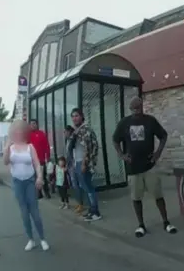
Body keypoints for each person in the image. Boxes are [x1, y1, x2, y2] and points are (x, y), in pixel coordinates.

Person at [112, 97, 177, 237]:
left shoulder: (150, 121)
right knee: (136, 198)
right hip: (133, 168)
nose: (136, 111)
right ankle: (141, 225)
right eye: (134, 108)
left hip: (149, 166)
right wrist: (122, 155)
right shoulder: (124, 123)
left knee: (158, 195)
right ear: (130, 109)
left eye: (139, 108)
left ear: (142, 107)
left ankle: (166, 222)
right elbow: (115, 140)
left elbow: (163, 136)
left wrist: (158, 153)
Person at [3, 120, 49, 251]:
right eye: (15, 131)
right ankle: (31, 239)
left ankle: (42, 239)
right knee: (24, 213)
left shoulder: (30, 147)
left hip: (30, 181)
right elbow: (6, 162)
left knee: (34, 212)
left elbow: (36, 163)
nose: (18, 133)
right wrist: (6, 146)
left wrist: (39, 177)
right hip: (17, 182)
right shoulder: (11, 148)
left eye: (20, 131)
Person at [67, 108, 102, 221]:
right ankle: (91, 211)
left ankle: (95, 212)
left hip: (83, 163)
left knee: (88, 187)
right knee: (85, 187)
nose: (74, 118)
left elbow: (89, 147)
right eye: (72, 116)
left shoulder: (85, 130)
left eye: (76, 115)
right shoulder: (77, 130)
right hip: (77, 162)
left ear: (82, 116)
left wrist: (84, 164)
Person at [28, 119, 51, 199]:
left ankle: (47, 192)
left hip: (40, 160)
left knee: (43, 177)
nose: (33, 125)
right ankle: (39, 193)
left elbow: (46, 146)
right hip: (31, 161)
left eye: (34, 124)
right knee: (34, 177)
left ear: (37, 125)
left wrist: (47, 156)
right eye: (31, 124)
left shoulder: (41, 134)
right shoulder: (28, 135)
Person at [65, 125, 84, 214]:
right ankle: (79, 202)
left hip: (75, 164)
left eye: (66, 131)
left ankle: (81, 203)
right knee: (74, 185)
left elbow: (73, 152)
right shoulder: (67, 140)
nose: (65, 133)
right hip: (70, 165)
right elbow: (68, 153)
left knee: (78, 184)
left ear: (70, 132)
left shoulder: (74, 140)